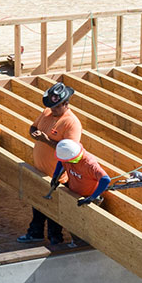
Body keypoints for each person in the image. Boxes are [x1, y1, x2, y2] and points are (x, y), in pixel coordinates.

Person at [19, 83, 84, 244]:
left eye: (56, 107)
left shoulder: (72, 123)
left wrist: (46, 140)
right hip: (40, 170)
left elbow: (69, 151)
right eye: (51, 106)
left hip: (57, 175)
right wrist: (33, 132)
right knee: (38, 203)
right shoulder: (47, 112)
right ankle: (36, 233)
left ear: (66, 104)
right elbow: (33, 126)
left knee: (55, 209)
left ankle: (56, 238)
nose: (52, 110)